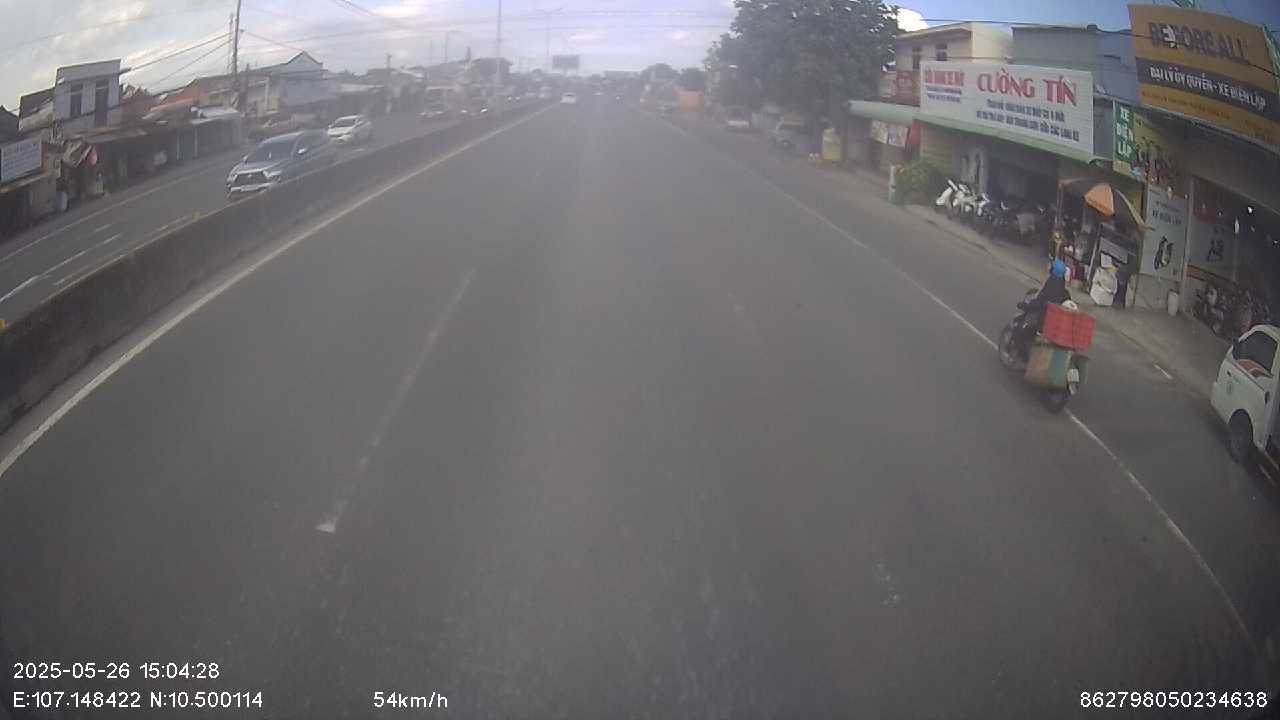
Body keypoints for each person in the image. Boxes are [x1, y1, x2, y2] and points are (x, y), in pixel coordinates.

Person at [1016, 260, 1071, 345]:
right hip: (1051, 322)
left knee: (1022, 330)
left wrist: (1026, 305)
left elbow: (1040, 301)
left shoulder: (1051, 284)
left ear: (1053, 270)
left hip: (1042, 321)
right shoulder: (1062, 287)